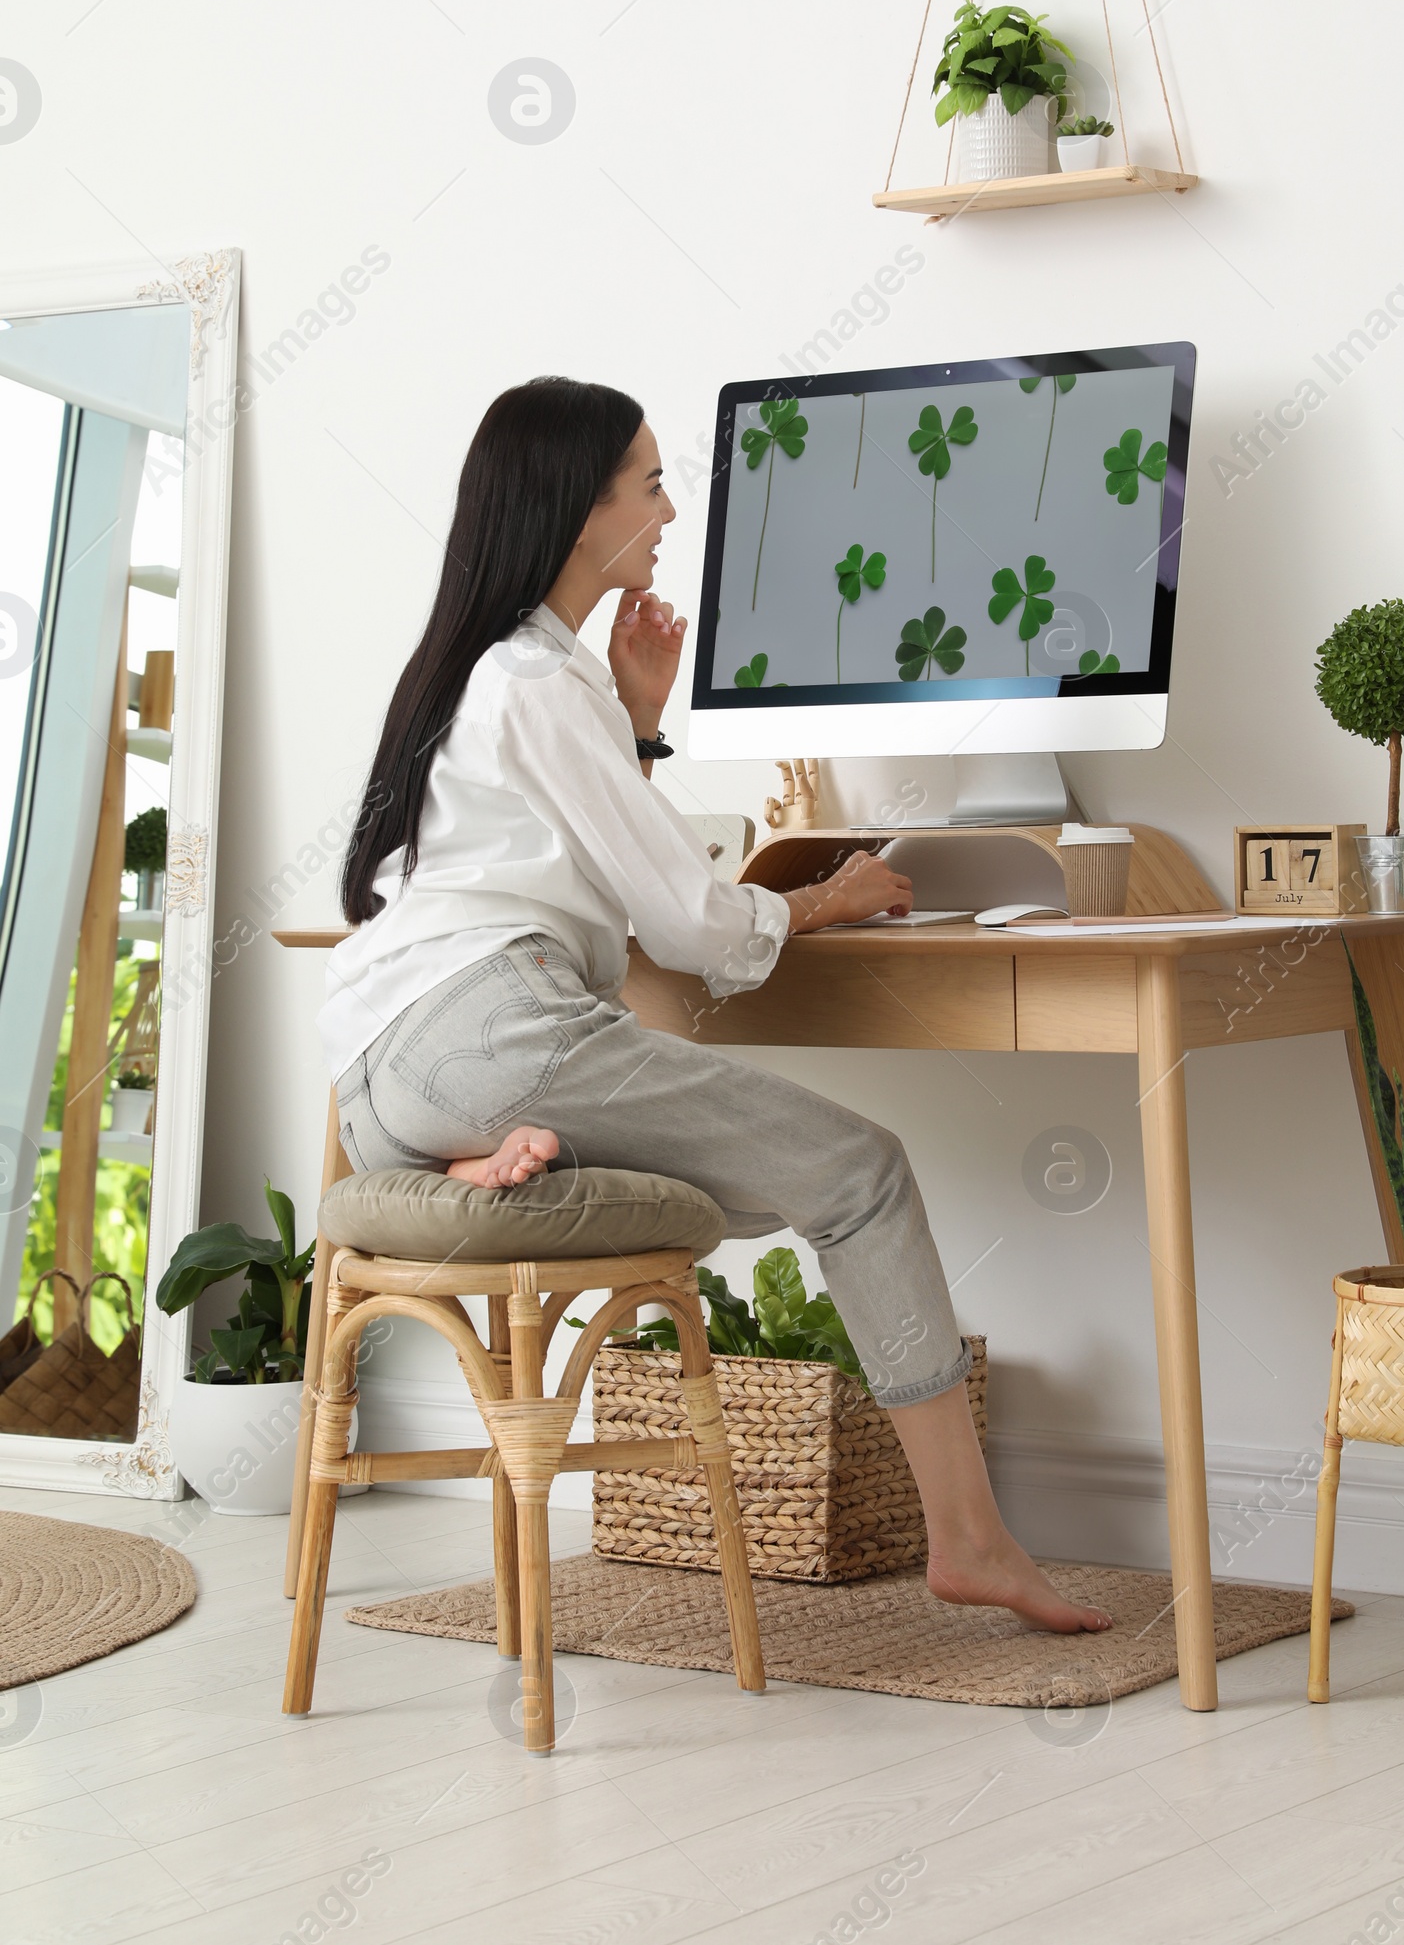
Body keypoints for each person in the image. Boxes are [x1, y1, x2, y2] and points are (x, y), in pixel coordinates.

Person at [322, 376, 1110, 1636]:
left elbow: (561, 859)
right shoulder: (536, 678)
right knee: (859, 1173)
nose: (671, 506)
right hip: (496, 1028)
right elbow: (687, 926)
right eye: (647, 482)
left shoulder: (485, 673)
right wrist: (828, 899)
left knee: (742, 1192)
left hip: (387, 1080)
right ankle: (968, 1538)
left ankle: (511, 1153)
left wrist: (638, 721)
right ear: (582, 511)